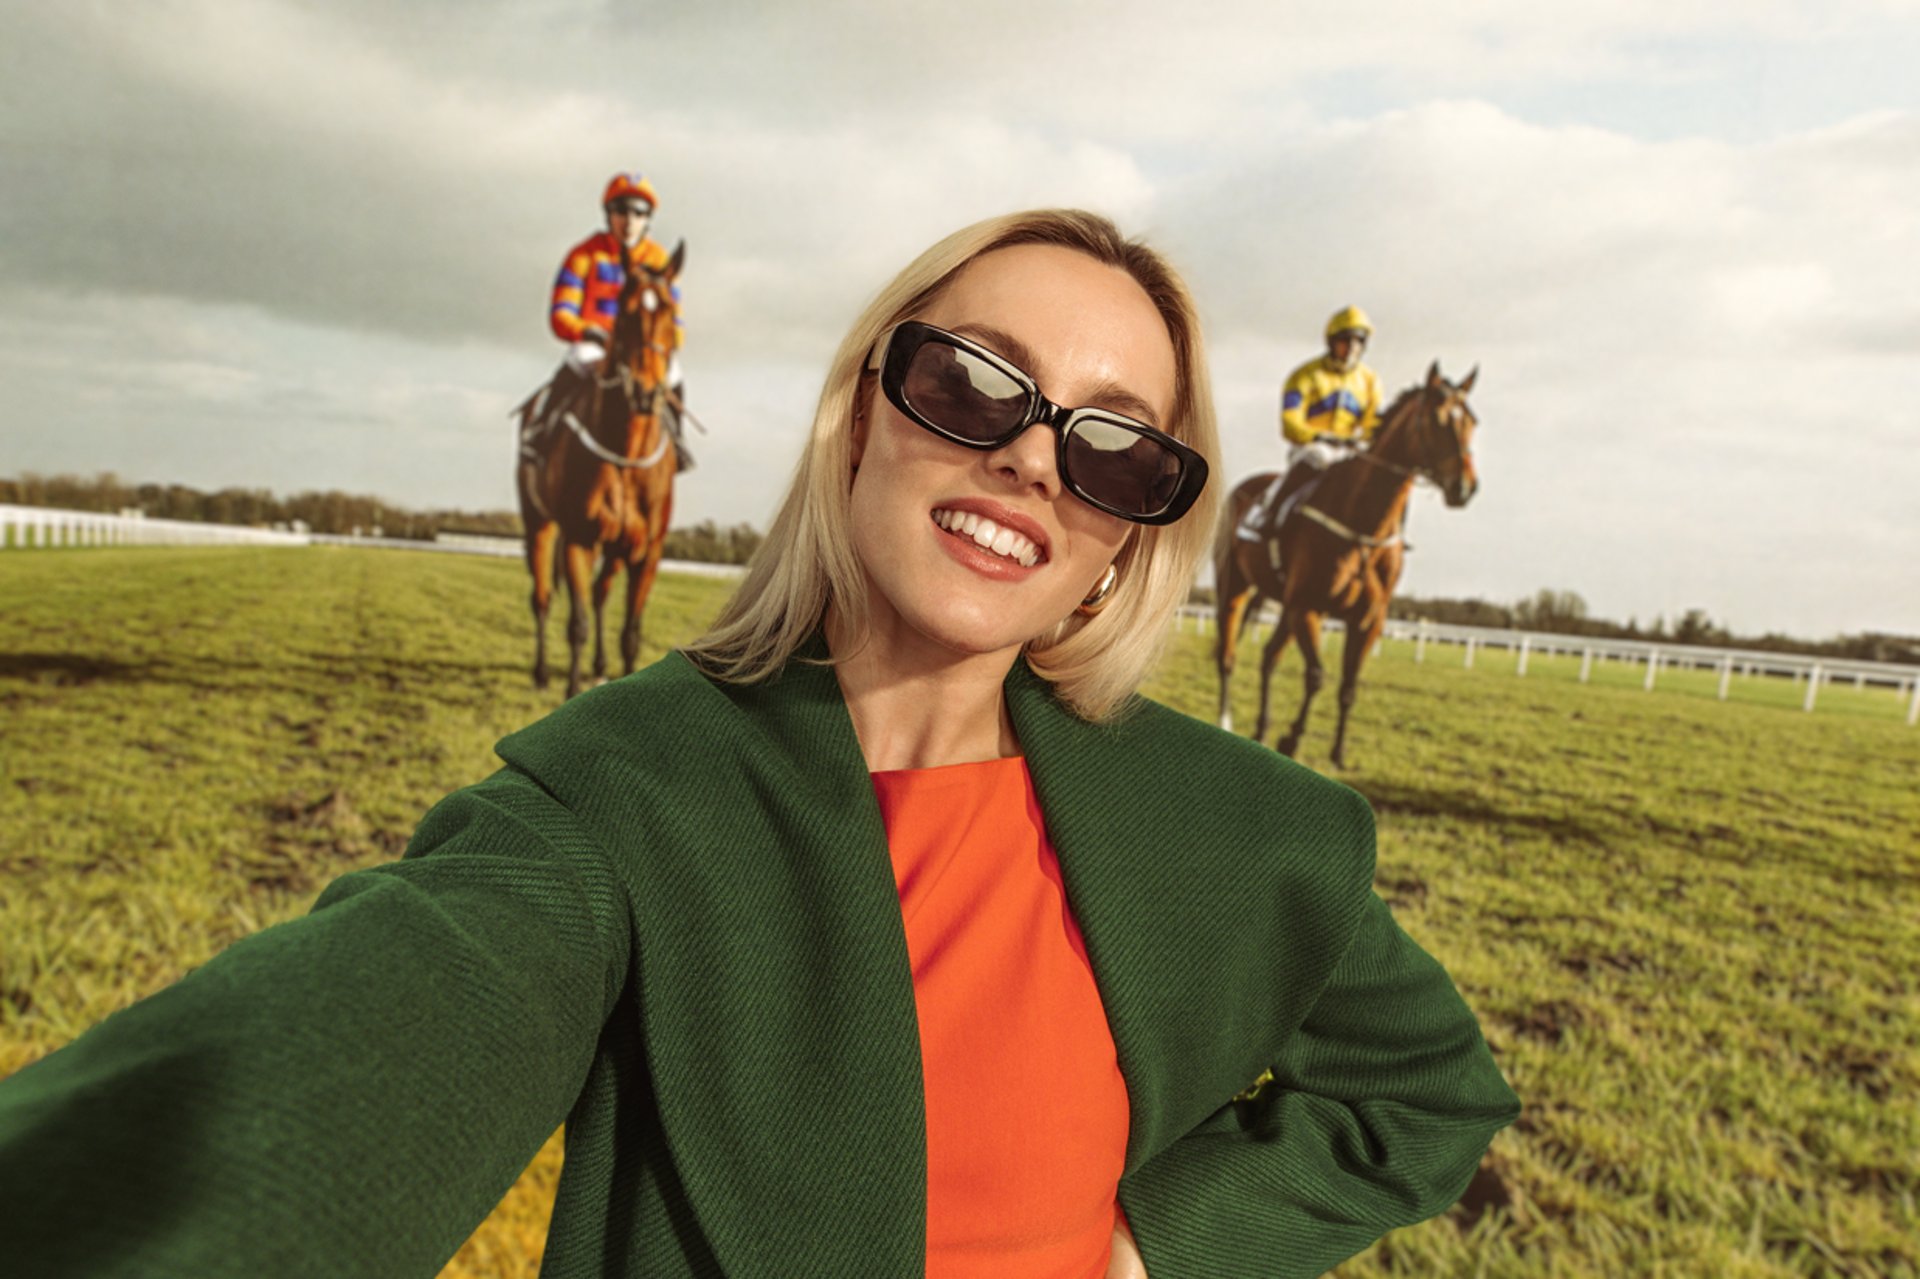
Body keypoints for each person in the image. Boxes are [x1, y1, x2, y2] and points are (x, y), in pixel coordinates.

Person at [0, 211, 1517, 1278]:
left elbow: (1430, 1091)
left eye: (1117, 445)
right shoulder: (618, 803)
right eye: (967, 382)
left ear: (1129, 534)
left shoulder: (1247, 824)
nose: (1030, 456)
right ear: (861, 415)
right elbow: (327, 1062)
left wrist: (1164, 1244)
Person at [533, 170, 693, 471]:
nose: (629, 220)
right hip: (596, 343)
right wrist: (587, 331)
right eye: (621, 211)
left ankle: (678, 444)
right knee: (576, 363)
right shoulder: (583, 255)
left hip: (642, 349)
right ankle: (541, 432)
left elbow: (676, 322)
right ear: (609, 214)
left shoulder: (659, 260)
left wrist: (664, 345)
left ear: (647, 219)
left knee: (673, 374)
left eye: (639, 212)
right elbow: (561, 312)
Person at [1237, 304, 1383, 543]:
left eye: (1358, 342)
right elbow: (1290, 421)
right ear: (1332, 342)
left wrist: (1362, 439)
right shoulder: (1305, 376)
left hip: (1349, 449)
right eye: (1345, 340)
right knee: (1317, 457)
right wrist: (1317, 436)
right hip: (1312, 446)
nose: (1351, 348)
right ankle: (1268, 513)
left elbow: (1372, 422)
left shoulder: (1370, 380)